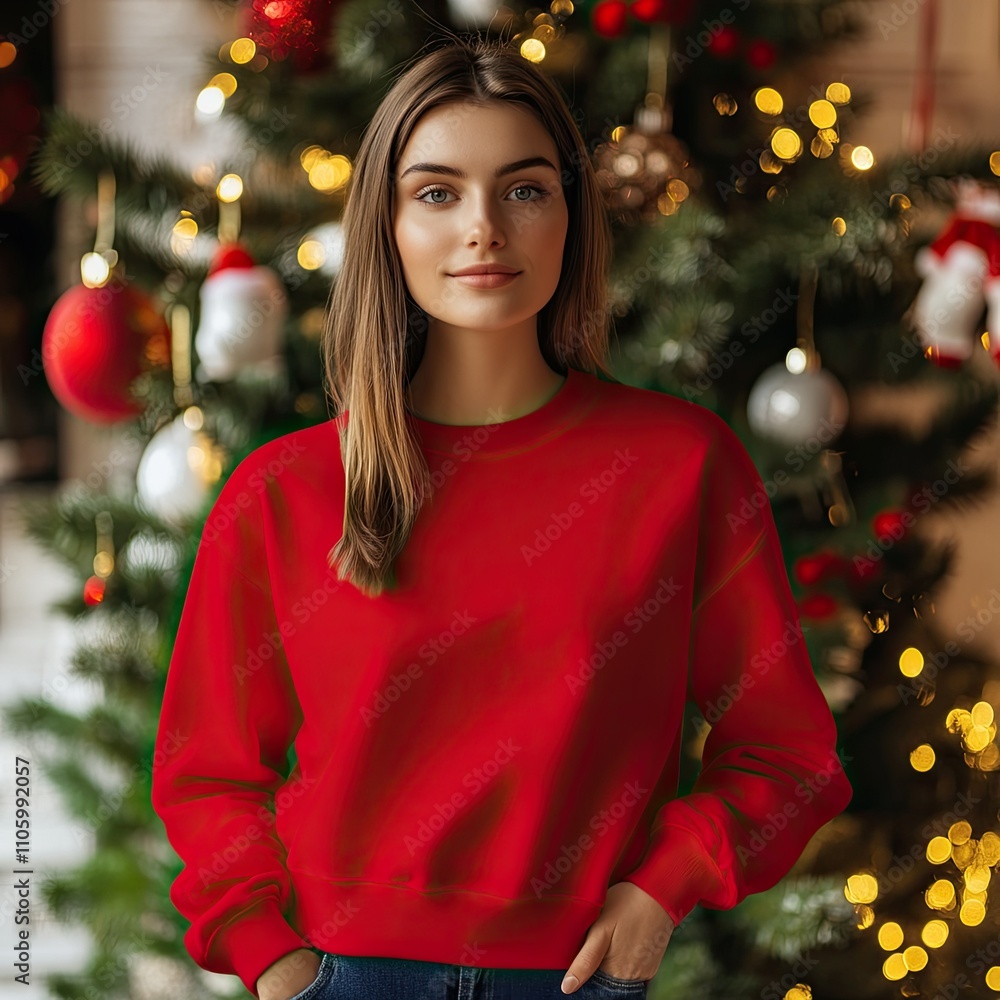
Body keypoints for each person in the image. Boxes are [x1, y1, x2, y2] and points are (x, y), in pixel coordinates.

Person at [150, 34, 853, 1000]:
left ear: (571, 216)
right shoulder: (282, 491)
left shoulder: (681, 466)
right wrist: (275, 965)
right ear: (387, 226)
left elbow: (789, 754)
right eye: (437, 192)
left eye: (524, 189)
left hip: (577, 978)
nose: (485, 227)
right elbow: (207, 775)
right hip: (339, 976)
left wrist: (664, 888)